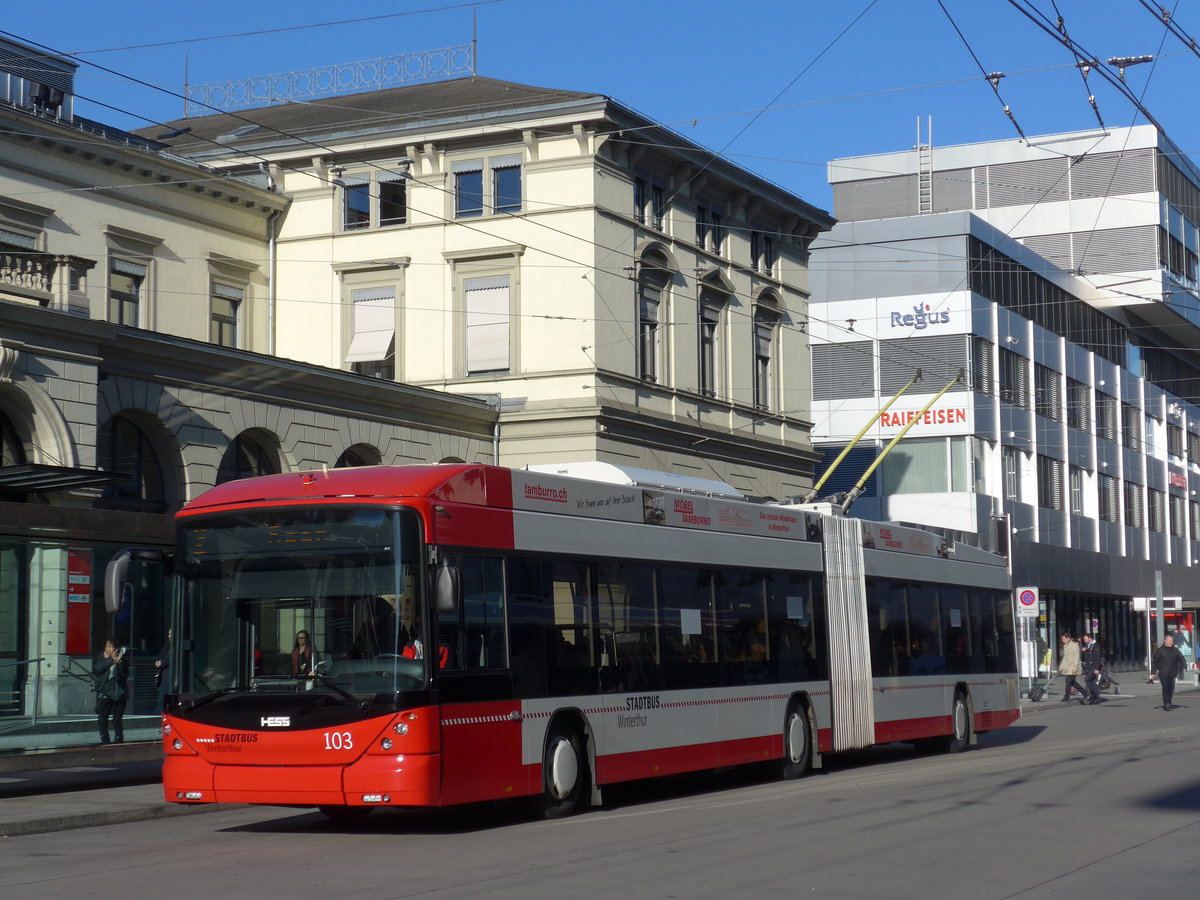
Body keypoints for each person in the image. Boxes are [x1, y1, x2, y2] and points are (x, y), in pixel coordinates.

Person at [93, 638, 129, 744]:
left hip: (119, 691)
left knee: (117, 717)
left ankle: (119, 736)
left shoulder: (123, 660)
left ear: (116, 648)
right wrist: (111, 660)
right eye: (106, 646)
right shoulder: (101, 658)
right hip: (105, 692)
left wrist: (118, 663)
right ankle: (104, 737)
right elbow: (98, 670)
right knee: (103, 715)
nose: (108, 648)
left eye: (111, 646)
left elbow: (124, 675)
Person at [1152, 632, 1187, 711]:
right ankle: (1166, 704)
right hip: (1163, 673)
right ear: (1165, 641)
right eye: (1170, 641)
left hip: (1173, 673)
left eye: (1172, 641)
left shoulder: (1175, 650)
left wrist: (1184, 666)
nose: (1172, 642)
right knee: (1165, 688)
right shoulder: (1160, 650)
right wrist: (1152, 673)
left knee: (1171, 689)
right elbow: (1154, 662)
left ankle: (1169, 701)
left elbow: (1181, 658)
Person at [1058, 632, 1086, 703]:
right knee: (1072, 682)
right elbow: (1065, 657)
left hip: (1073, 666)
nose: (1063, 640)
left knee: (1068, 681)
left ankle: (1066, 697)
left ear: (1068, 638)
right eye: (1062, 639)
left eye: (1064, 639)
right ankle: (1085, 693)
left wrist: (1075, 668)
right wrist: (1061, 666)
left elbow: (1076, 657)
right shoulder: (1065, 646)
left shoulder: (1074, 646)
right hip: (1068, 666)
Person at [1080, 633, 1104, 705]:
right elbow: (1087, 657)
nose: (1085, 641)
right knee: (1093, 682)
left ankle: (1093, 695)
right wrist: (1085, 651)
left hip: (1094, 667)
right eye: (1084, 639)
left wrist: (1097, 669)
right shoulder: (1087, 645)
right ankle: (1096, 698)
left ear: (1090, 638)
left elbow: (1097, 658)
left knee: (1087, 680)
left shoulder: (1095, 645)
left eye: (1086, 639)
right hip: (1089, 667)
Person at [154, 627, 173, 708]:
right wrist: (157, 662)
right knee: (161, 702)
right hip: (164, 679)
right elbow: (160, 655)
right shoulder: (167, 644)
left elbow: (171, 659)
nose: (168, 636)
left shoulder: (178, 646)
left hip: (172, 679)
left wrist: (162, 663)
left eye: (170, 634)